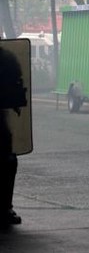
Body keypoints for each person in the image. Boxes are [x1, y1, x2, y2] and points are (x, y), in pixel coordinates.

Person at [0, 43, 26, 228]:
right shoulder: (7, 57)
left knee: (7, 161)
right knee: (7, 161)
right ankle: (4, 209)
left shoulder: (6, 58)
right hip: (1, 119)